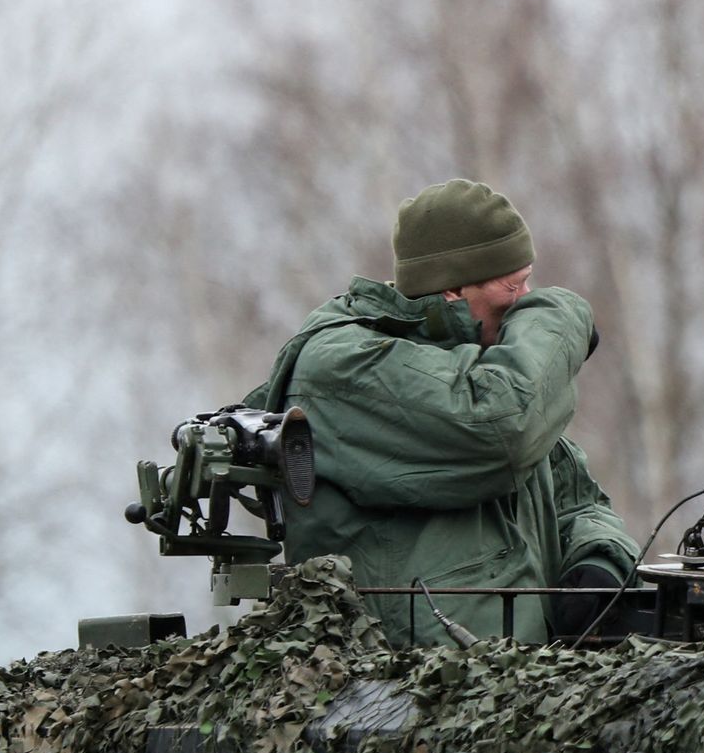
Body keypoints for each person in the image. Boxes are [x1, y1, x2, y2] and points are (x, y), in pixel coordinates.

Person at [245, 179, 638, 646]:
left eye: (530, 282)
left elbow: (576, 499)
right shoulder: (341, 366)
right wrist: (562, 313)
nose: (526, 299)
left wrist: (599, 560)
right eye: (514, 285)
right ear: (452, 289)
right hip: (407, 690)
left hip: (519, 683)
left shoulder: (479, 361)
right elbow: (500, 427)